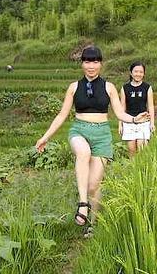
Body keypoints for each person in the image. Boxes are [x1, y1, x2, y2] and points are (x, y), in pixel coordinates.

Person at [34, 46, 148, 238]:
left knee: (94, 185)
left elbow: (120, 113)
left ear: (100, 64)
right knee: (83, 153)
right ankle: (82, 203)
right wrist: (45, 137)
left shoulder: (109, 87)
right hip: (79, 130)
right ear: (82, 64)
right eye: (87, 61)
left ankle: (93, 223)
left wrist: (135, 119)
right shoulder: (74, 87)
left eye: (95, 61)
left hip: (102, 135)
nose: (91, 66)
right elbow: (62, 115)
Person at [119, 62, 155, 157]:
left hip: (143, 121)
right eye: (136, 71)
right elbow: (122, 108)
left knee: (141, 146)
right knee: (131, 150)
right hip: (129, 121)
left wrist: (152, 123)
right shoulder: (125, 88)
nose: (138, 74)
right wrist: (120, 124)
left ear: (144, 74)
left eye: (141, 72)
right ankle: (133, 170)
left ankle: (143, 169)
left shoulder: (147, 87)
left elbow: (150, 106)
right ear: (131, 73)